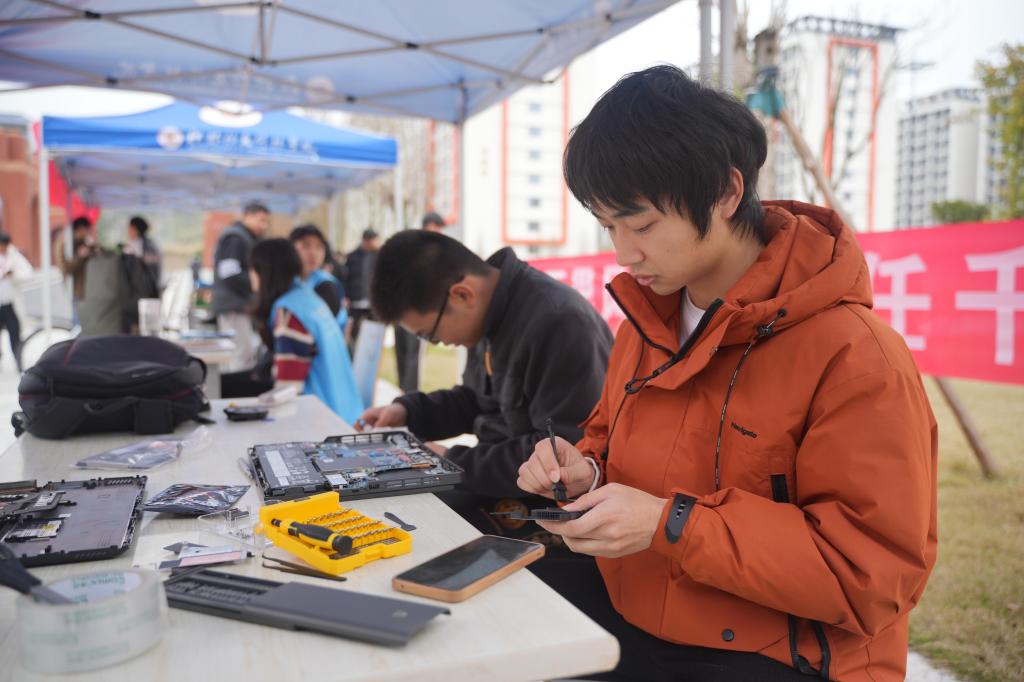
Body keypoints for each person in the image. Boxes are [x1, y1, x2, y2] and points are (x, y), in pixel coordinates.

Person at [516, 66, 937, 682]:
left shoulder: (853, 353)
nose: (624, 254)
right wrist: (584, 469)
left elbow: (873, 572)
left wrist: (672, 525)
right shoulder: (645, 326)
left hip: (778, 654)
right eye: (609, 227)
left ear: (725, 192)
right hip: (640, 616)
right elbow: (608, 438)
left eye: (641, 224)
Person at [357, 230, 614, 542]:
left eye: (430, 335)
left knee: (418, 538)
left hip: (559, 513)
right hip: (504, 486)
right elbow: (478, 400)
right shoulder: (491, 316)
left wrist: (449, 460)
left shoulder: (559, 322)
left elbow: (562, 453)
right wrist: (409, 411)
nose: (442, 343)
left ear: (462, 295)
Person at [250, 239, 362, 423]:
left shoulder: (289, 312)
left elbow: (287, 390)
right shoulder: (307, 298)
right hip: (345, 411)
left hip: (320, 418)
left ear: (264, 273)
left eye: (252, 269)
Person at [212, 202, 269, 372]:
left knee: (242, 354)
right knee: (240, 355)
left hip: (239, 305)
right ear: (247, 216)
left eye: (266, 221)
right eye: (261, 220)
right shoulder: (236, 238)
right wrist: (254, 283)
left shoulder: (245, 237)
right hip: (234, 306)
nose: (263, 225)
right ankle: (237, 395)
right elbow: (229, 272)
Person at [289, 223, 345, 323]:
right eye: (305, 246)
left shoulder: (326, 286)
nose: (313, 253)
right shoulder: (286, 281)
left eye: (319, 247)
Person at [342, 228, 380, 352]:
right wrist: (346, 295)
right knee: (352, 334)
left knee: (373, 334)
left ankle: (369, 360)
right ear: (366, 241)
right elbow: (346, 278)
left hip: (373, 302)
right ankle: (351, 358)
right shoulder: (352, 257)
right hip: (355, 301)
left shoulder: (379, 256)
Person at [0, 232, 33, 372]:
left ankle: (18, 359)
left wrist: (13, 275)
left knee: (15, 333)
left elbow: (27, 273)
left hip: (10, 303)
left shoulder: (14, 256)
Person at [125, 215, 162, 289]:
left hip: (142, 288)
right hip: (152, 286)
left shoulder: (136, 245)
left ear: (135, 229)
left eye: (129, 228)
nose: (127, 231)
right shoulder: (151, 244)